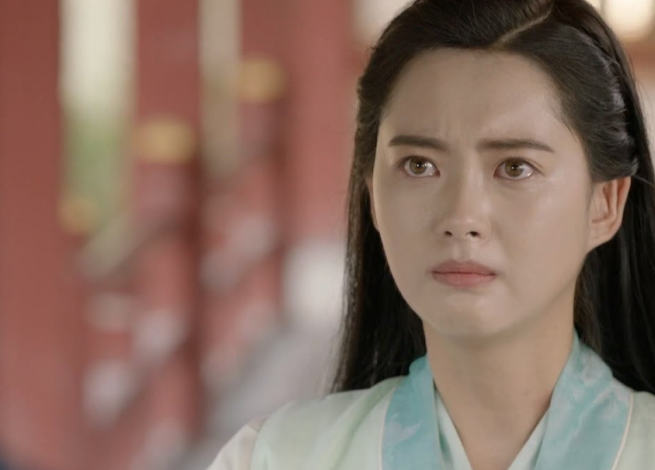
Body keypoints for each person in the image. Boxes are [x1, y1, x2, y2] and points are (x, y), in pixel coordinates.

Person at [208, 0, 655, 468]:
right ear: (373, 195)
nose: (462, 216)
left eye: (515, 168)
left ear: (605, 204)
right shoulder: (272, 458)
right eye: (419, 166)